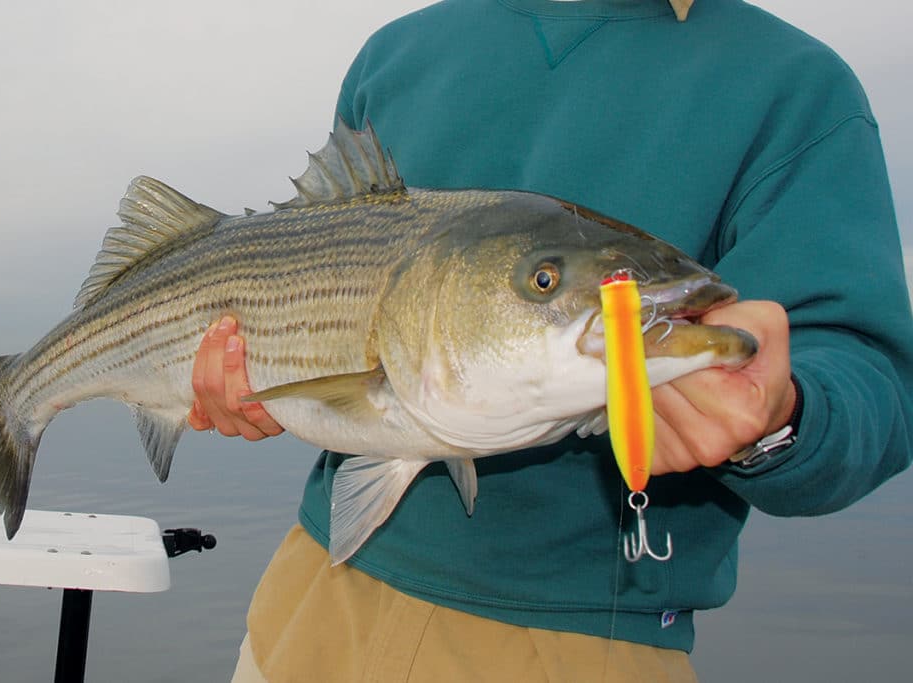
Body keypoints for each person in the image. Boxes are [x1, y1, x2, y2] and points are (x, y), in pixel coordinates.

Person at [191, 1, 913, 680]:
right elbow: (314, 286)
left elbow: (872, 379)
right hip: (306, 605)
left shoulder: (797, 88)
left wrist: (778, 419)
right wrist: (256, 381)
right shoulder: (396, 53)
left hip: (585, 644)